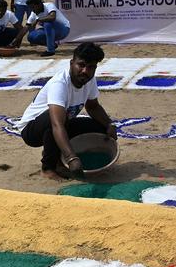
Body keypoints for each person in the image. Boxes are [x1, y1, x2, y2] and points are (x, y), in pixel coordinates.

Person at [16, 43, 116, 179]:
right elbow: (57, 124)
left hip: (62, 123)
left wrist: (109, 124)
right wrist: (71, 158)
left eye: (91, 67)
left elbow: (93, 106)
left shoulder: (89, 79)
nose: (85, 71)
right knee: (54, 121)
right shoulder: (60, 84)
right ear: (71, 63)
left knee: (99, 127)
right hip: (32, 130)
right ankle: (48, 167)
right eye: (81, 65)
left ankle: (62, 157)